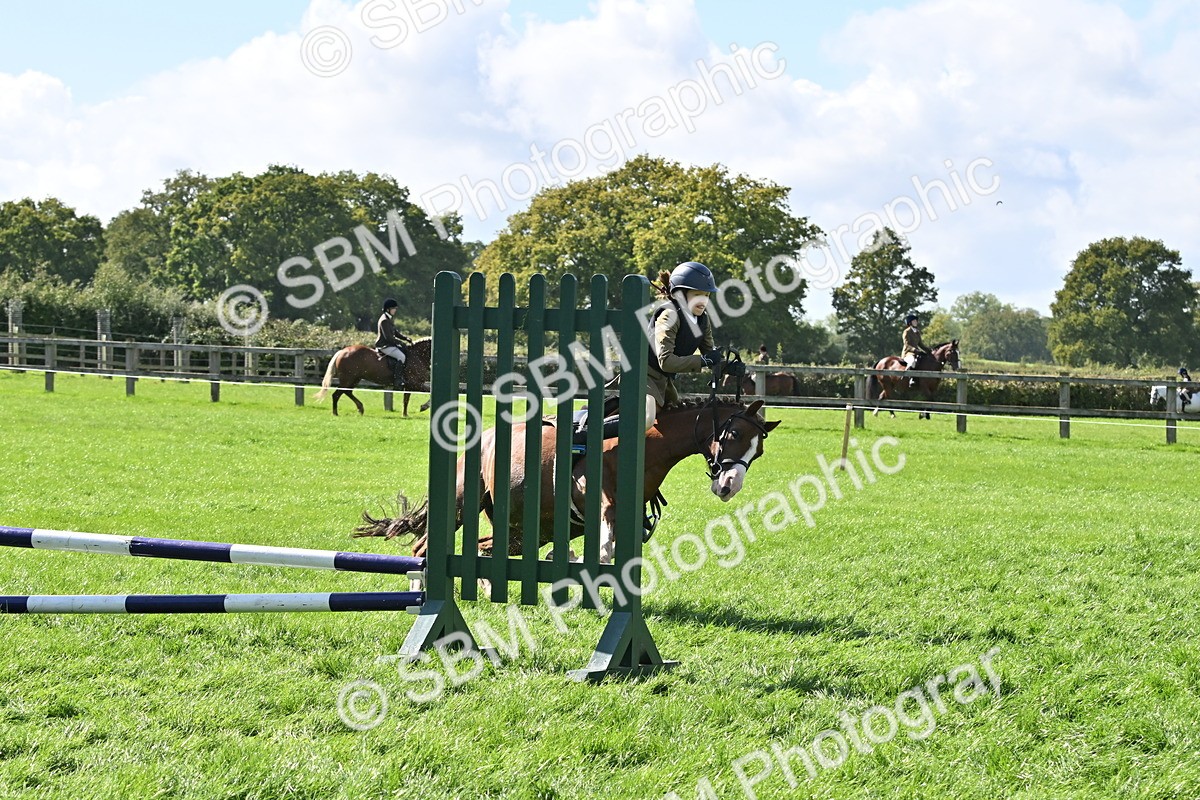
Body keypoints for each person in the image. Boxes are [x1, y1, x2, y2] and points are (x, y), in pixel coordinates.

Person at [573, 261, 720, 446]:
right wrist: (704, 361)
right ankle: (582, 435)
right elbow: (666, 361)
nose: (704, 301)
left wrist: (727, 364)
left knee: (677, 419)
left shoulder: (702, 320)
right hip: (642, 374)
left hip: (663, 381)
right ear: (680, 295)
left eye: (706, 295)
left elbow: (710, 353)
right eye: (697, 294)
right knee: (647, 418)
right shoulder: (669, 315)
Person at [375, 298, 412, 390]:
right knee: (401, 357)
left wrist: (405, 338)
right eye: (393, 308)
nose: (395, 310)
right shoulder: (384, 320)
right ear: (388, 309)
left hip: (389, 344)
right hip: (384, 345)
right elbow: (388, 338)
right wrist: (401, 343)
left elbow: (395, 332)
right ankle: (397, 380)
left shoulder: (388, 318)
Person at [901, 312, 930, 389]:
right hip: (908, 353)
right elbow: (907, 345)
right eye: (914, 321)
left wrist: (929, 350)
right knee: (912, 361)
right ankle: (911, 379)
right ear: (910, 322)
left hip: (916, 352)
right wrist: (915, 350)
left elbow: (921, 344)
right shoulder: (906, 332)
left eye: (916, 321)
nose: (916, 322)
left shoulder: (917, 332)